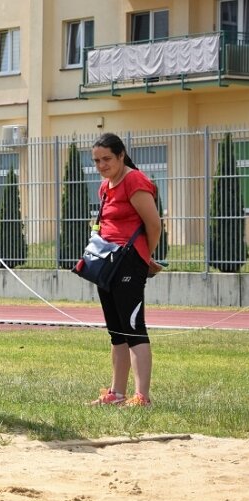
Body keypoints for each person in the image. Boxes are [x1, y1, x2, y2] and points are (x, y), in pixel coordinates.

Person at [88, 132, 163, 407]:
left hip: (130, 261)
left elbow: (153, 224)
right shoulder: (105, 185)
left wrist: (146, 256)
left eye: (107, 159)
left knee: (133, 328)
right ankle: (116, 393)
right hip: (106, 262)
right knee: (116, 331)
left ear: (121, 155)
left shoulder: (134, 180)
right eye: (96, 160)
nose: (101, 165)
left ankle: (142, 396)